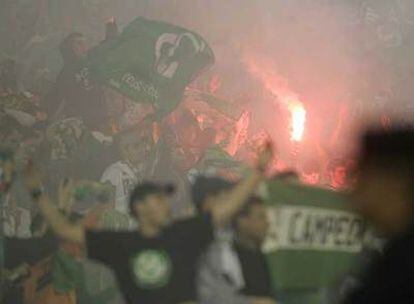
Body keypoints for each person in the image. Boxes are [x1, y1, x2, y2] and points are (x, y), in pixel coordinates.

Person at [24, 143, 273, 304]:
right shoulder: (120, 244)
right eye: (158, 200)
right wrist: (38, 193)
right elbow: (64, 230)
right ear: (140, 207)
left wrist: (257, 171)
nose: (166, 204)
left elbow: (224, 209)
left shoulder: (182, 233)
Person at [344, 128, 414, 304]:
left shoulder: (403, 265)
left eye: (365, 179)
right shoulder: (396, 253)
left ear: (396, 182)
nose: (356, 193)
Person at [197, 195, 276, 304]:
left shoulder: (259, 256)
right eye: (261, 217)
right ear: (242, 222)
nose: (267, 223)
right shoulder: (224, 257)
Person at [44, 32, 107, 130]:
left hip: (102, 121)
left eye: (85, 43)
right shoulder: (66, 72)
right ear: (69, 48)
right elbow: (59, 99)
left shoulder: (95, 66)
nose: (84, 47)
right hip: (80, 124)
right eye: (79, 43)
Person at [101, 126, 155, 215]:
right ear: (125, 150)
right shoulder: (113, 172)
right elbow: (104, 210)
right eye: (136, 146)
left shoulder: (142, 172)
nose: (142, 149)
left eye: (142, 144)